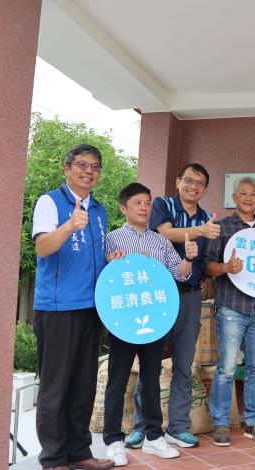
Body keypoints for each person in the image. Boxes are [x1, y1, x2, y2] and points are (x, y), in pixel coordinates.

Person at [125, 163, 221, 450]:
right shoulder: (163, 205)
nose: (193, 186)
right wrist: (201, 230)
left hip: (191, 295)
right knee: (150, 363)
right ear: (178, 181)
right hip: (158, 293)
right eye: (189, 180)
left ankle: (178, 427)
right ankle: (142, 427)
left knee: (183, 364)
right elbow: (163, 233)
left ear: (205, 188)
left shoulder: (206, 216)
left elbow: (203, 261)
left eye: (200, 183)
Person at [102, 183, 199, 466]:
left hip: (154, 321)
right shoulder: (112, 239)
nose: (144, 208)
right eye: (137, 203)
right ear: (123, 208)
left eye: (147, 203)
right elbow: (103, 279)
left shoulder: (160, 241)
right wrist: (111, 261)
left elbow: (179, 275)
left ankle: (154, 437)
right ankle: (113, 440)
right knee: (117, 381)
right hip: (122, 321)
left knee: (151, 378)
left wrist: (189, 258)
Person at [31, 144, 113, 470]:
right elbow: (43, 246)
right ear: (67, 169)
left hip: (90, 308)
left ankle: (79, 453)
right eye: (82, 164)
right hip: (57, 309)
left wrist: (112, 258)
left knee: (83, 385)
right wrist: (68, 226)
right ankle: (53, 459)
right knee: (55, 389)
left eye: (95, 167)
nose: (88, 171)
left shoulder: (100, 211)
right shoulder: (50, 202)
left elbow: (92, 258)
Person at [203, 176, 255, 447]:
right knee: (226, 369)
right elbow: (207, 267)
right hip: (231, 307)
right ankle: (221, 423)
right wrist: (226, 267)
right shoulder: (223, 227)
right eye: (243, 193)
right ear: (234, 197)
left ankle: (253, 422)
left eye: (253, 194)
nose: (248, 198)